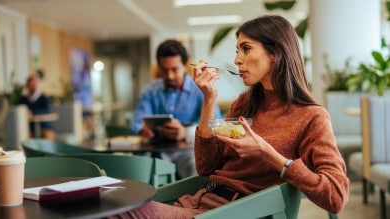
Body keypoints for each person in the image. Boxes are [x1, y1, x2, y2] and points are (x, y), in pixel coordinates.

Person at [111, 15, 349, 218]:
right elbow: (206, 166)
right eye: (238, 50)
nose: (237, 59)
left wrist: (268, 154)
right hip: (198, 201)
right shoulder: (244, 104)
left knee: (116, 209)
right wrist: (209, 98)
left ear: (276, 52)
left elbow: (336, 196)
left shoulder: (312, 117)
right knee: (111, 198)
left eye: (246, 49)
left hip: (229, 212)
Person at [130, 39, 222, 179]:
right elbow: (135, 123)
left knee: (197, 170)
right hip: (158, 151)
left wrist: (185, 132)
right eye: (164, 70)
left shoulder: (200, 90)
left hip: (190, 150)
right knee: (141, 172)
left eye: (174, 69)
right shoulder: (150, 91)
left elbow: (216, 125)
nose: (169, 76)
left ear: (185, 66)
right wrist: (143, 129)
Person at [17, 74, 55, 140]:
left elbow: (46, 110)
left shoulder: (44, 98)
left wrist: (32, 112)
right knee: (23, 137)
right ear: (27, 86)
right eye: (30, 84)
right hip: (29, 128)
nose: (32, 86)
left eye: (34, 84)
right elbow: (18, 110)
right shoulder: (23, 100)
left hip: (44, 127)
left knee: (49, 136)